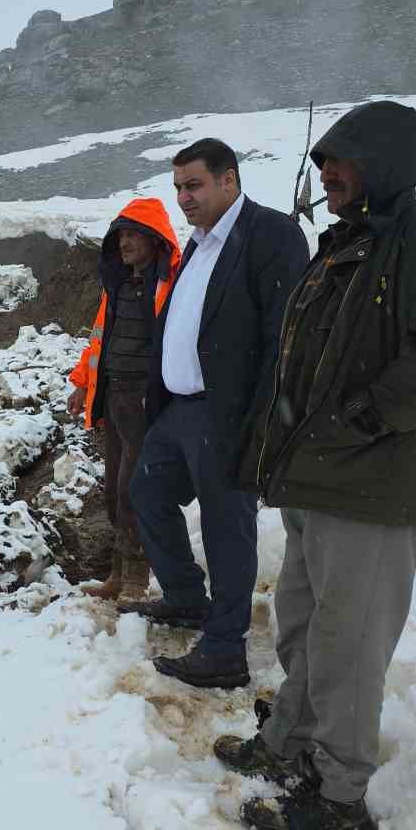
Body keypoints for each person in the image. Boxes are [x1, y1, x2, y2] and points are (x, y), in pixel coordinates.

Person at [219, 101, 416, 830]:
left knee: (349, 644)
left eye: (341, 160)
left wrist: (354, 424)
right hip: (315, 477)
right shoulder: (343, 245)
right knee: (300, 623)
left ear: (383, 162)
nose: (326, 174)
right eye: (322, 161)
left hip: (373, 482)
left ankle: (340, 796)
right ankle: (291, 743)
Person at [120, 138, 309, 689]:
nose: (183, 198)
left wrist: (262, 419)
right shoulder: (198, 245)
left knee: (228, 528)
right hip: (179, 411)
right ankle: (184, 597)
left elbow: (284, 336)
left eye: (194, 185)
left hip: (226, 414)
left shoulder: (269, 235)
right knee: (147, 493)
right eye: (178, 187)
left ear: (229, 180)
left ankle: (226, 647)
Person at [67, 198, 182, 600]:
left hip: (147, 402)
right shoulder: (117, 287)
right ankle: (118, 573)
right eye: (121, 236)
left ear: (155, 238)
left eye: (134, 234)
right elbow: (100, 340)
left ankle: (136, 577)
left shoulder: (171, 284)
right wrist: (83, 383)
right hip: (114, 397)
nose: (126, 243)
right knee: (114, 489)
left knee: (134, 487)